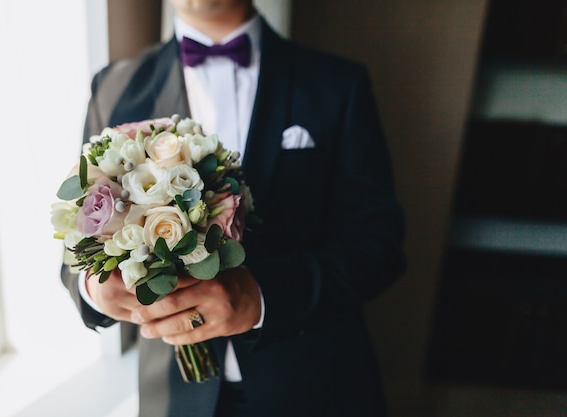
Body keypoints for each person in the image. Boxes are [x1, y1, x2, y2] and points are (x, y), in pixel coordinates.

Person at [61, 1, 406, 416]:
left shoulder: (337, 83)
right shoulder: (114, 86)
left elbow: (378, 245)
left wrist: (262, 298)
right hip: (174, 397)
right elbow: (79, 234)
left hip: (313, 384)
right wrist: (94, 289)